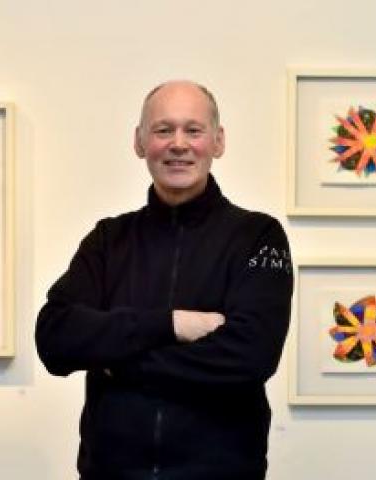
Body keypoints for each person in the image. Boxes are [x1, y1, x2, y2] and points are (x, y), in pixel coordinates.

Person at [36, 80, 293, 480]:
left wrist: (117, 361)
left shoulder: (256, 237)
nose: (178, 144)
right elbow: (55, 338)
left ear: (218, 141)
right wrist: (172, 323)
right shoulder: (108, 240)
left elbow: (250, 357)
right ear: (139, 143)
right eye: (162, 130)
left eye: (193, 130)